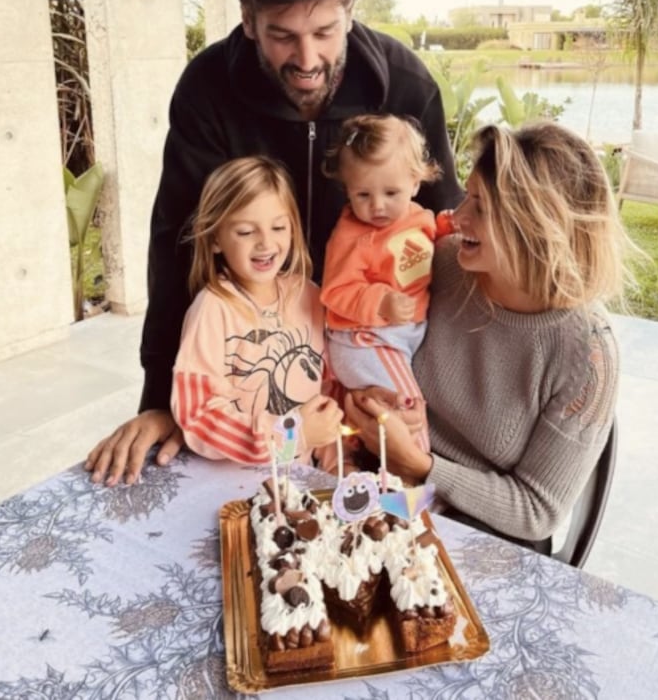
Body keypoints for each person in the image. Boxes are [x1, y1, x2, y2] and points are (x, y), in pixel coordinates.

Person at [85, 0, 461, 486]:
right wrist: (162, 396)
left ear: (350, 13)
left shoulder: (406, 86)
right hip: (256, 368)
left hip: (377, 348)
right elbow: (176, 241)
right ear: (248, 20)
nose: (308, 60)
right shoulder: (207, 88)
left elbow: (447, 237)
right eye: (283, 35)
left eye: (325, 32)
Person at [344, 122, 629, 551]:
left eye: (480, 206)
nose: (457, 218)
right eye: (467, 196)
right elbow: (367, 345)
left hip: (489, 532)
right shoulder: (437, 264)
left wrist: (422, 464)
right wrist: (367, 399)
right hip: (390, 480)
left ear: (535, 227)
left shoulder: (589, 355)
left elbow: (537, 511)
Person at [170, 156, 342, 467]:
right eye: (247, 232)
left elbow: (329, 391)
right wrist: (291, 437)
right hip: (235, 485)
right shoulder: (212, 309)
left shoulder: (311, 296)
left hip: (301, 485)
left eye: (278, 227)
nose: (266, 243)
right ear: (214, 239)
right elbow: (197, 412)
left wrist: (336, 467)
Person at [320, 113, 453, 456]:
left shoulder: (418, 216)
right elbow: (335, 292)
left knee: (375, 416)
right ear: (346, 188)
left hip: (399, 338)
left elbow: (424, 246)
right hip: (365, 339)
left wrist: (449, 232)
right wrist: (381, 302)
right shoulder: (351, 236)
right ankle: (419, 481)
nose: (377, 205)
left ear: (415, 183)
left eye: (391, 192)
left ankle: (351, 467)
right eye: (362, 194)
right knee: (408, 408)